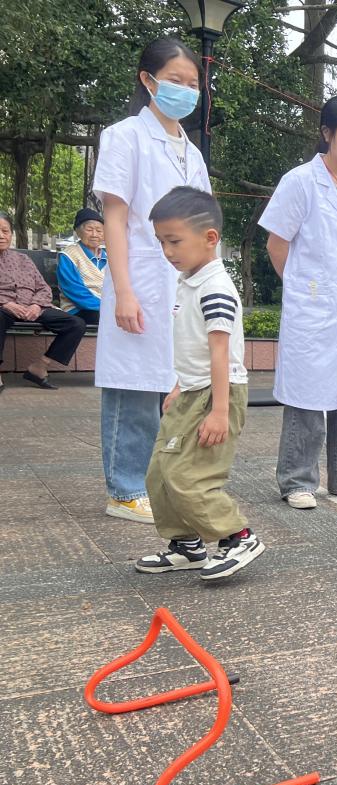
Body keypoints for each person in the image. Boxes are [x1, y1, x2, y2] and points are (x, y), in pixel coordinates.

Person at [93, 36, 210, 524]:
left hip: (178, 283)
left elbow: (203, 226)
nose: (186, 91)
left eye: (193, 84)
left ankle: (157, 483)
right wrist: (123, 290)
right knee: (134, 386)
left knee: (171, 384)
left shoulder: (192, 153)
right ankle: (124, 490)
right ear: (148, 80)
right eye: (175, 81)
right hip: (138, 275)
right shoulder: (124, 136)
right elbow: (115, 217)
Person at [260, 95, 337, 509]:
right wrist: (303, 289)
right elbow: (276, 244)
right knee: (307, 397)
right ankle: (297, 479)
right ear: (328, 133)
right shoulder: (300, 182)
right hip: (313, 312)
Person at [135, 187, 263, 580]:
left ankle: (238, 537)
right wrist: (180, 385)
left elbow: (220, 353)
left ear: (210, 238)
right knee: (160, 472)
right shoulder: (189, 280)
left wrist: (220, 411)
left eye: (174, 241)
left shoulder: (215, 288)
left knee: (189, 475)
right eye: (161, 242)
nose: (167, 251)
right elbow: (193, 348)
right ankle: (186, 544)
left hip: (215, 395)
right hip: (192, 391)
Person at [0, 210, 87, 392]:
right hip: (4, 308)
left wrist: (36, 305)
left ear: (11, 234)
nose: (1, 236)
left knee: (76, 324)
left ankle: (39, 367)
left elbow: (43, 287)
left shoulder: (22, 259)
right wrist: (5, 303)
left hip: (32, 307)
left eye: (5, 231)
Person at [57, 208, 108, 324]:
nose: (94, 234)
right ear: (78, 232)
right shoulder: (68, 255)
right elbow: (75, 291)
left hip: (106, 307)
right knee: (114, 320)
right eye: (89, 230)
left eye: (99, 230)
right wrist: (107, 307)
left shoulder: (109, 257)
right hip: (78, 309)